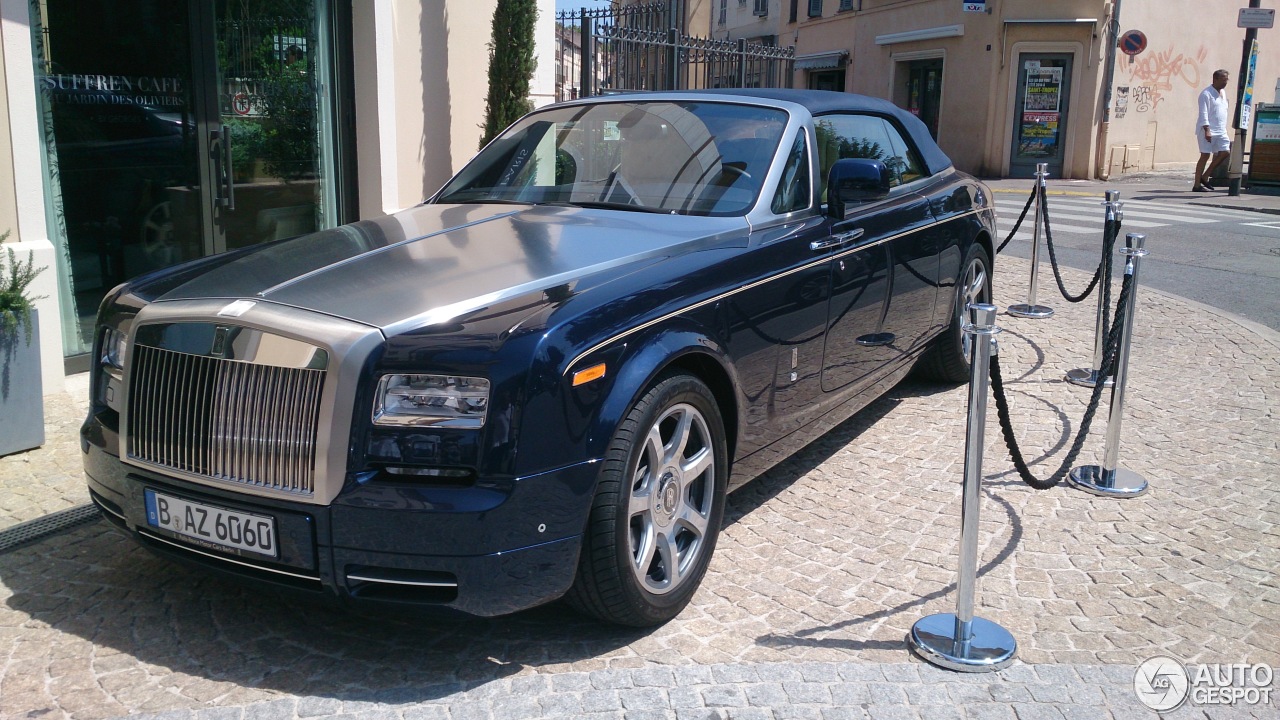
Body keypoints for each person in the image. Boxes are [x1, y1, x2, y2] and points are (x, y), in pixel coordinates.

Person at [1193, 69, 1231, 192]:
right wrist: (1207, 130)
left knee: (1225, 152)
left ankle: (1206, 175)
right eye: (1223, 80)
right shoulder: (1206, 94)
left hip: (1221, 129)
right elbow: (1203, 113)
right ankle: (1197, 184)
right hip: (1208, 129)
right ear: (1215, 79)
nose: (1225, 82)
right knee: (1205, 155)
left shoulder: (1223, 93)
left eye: (1227, 80)